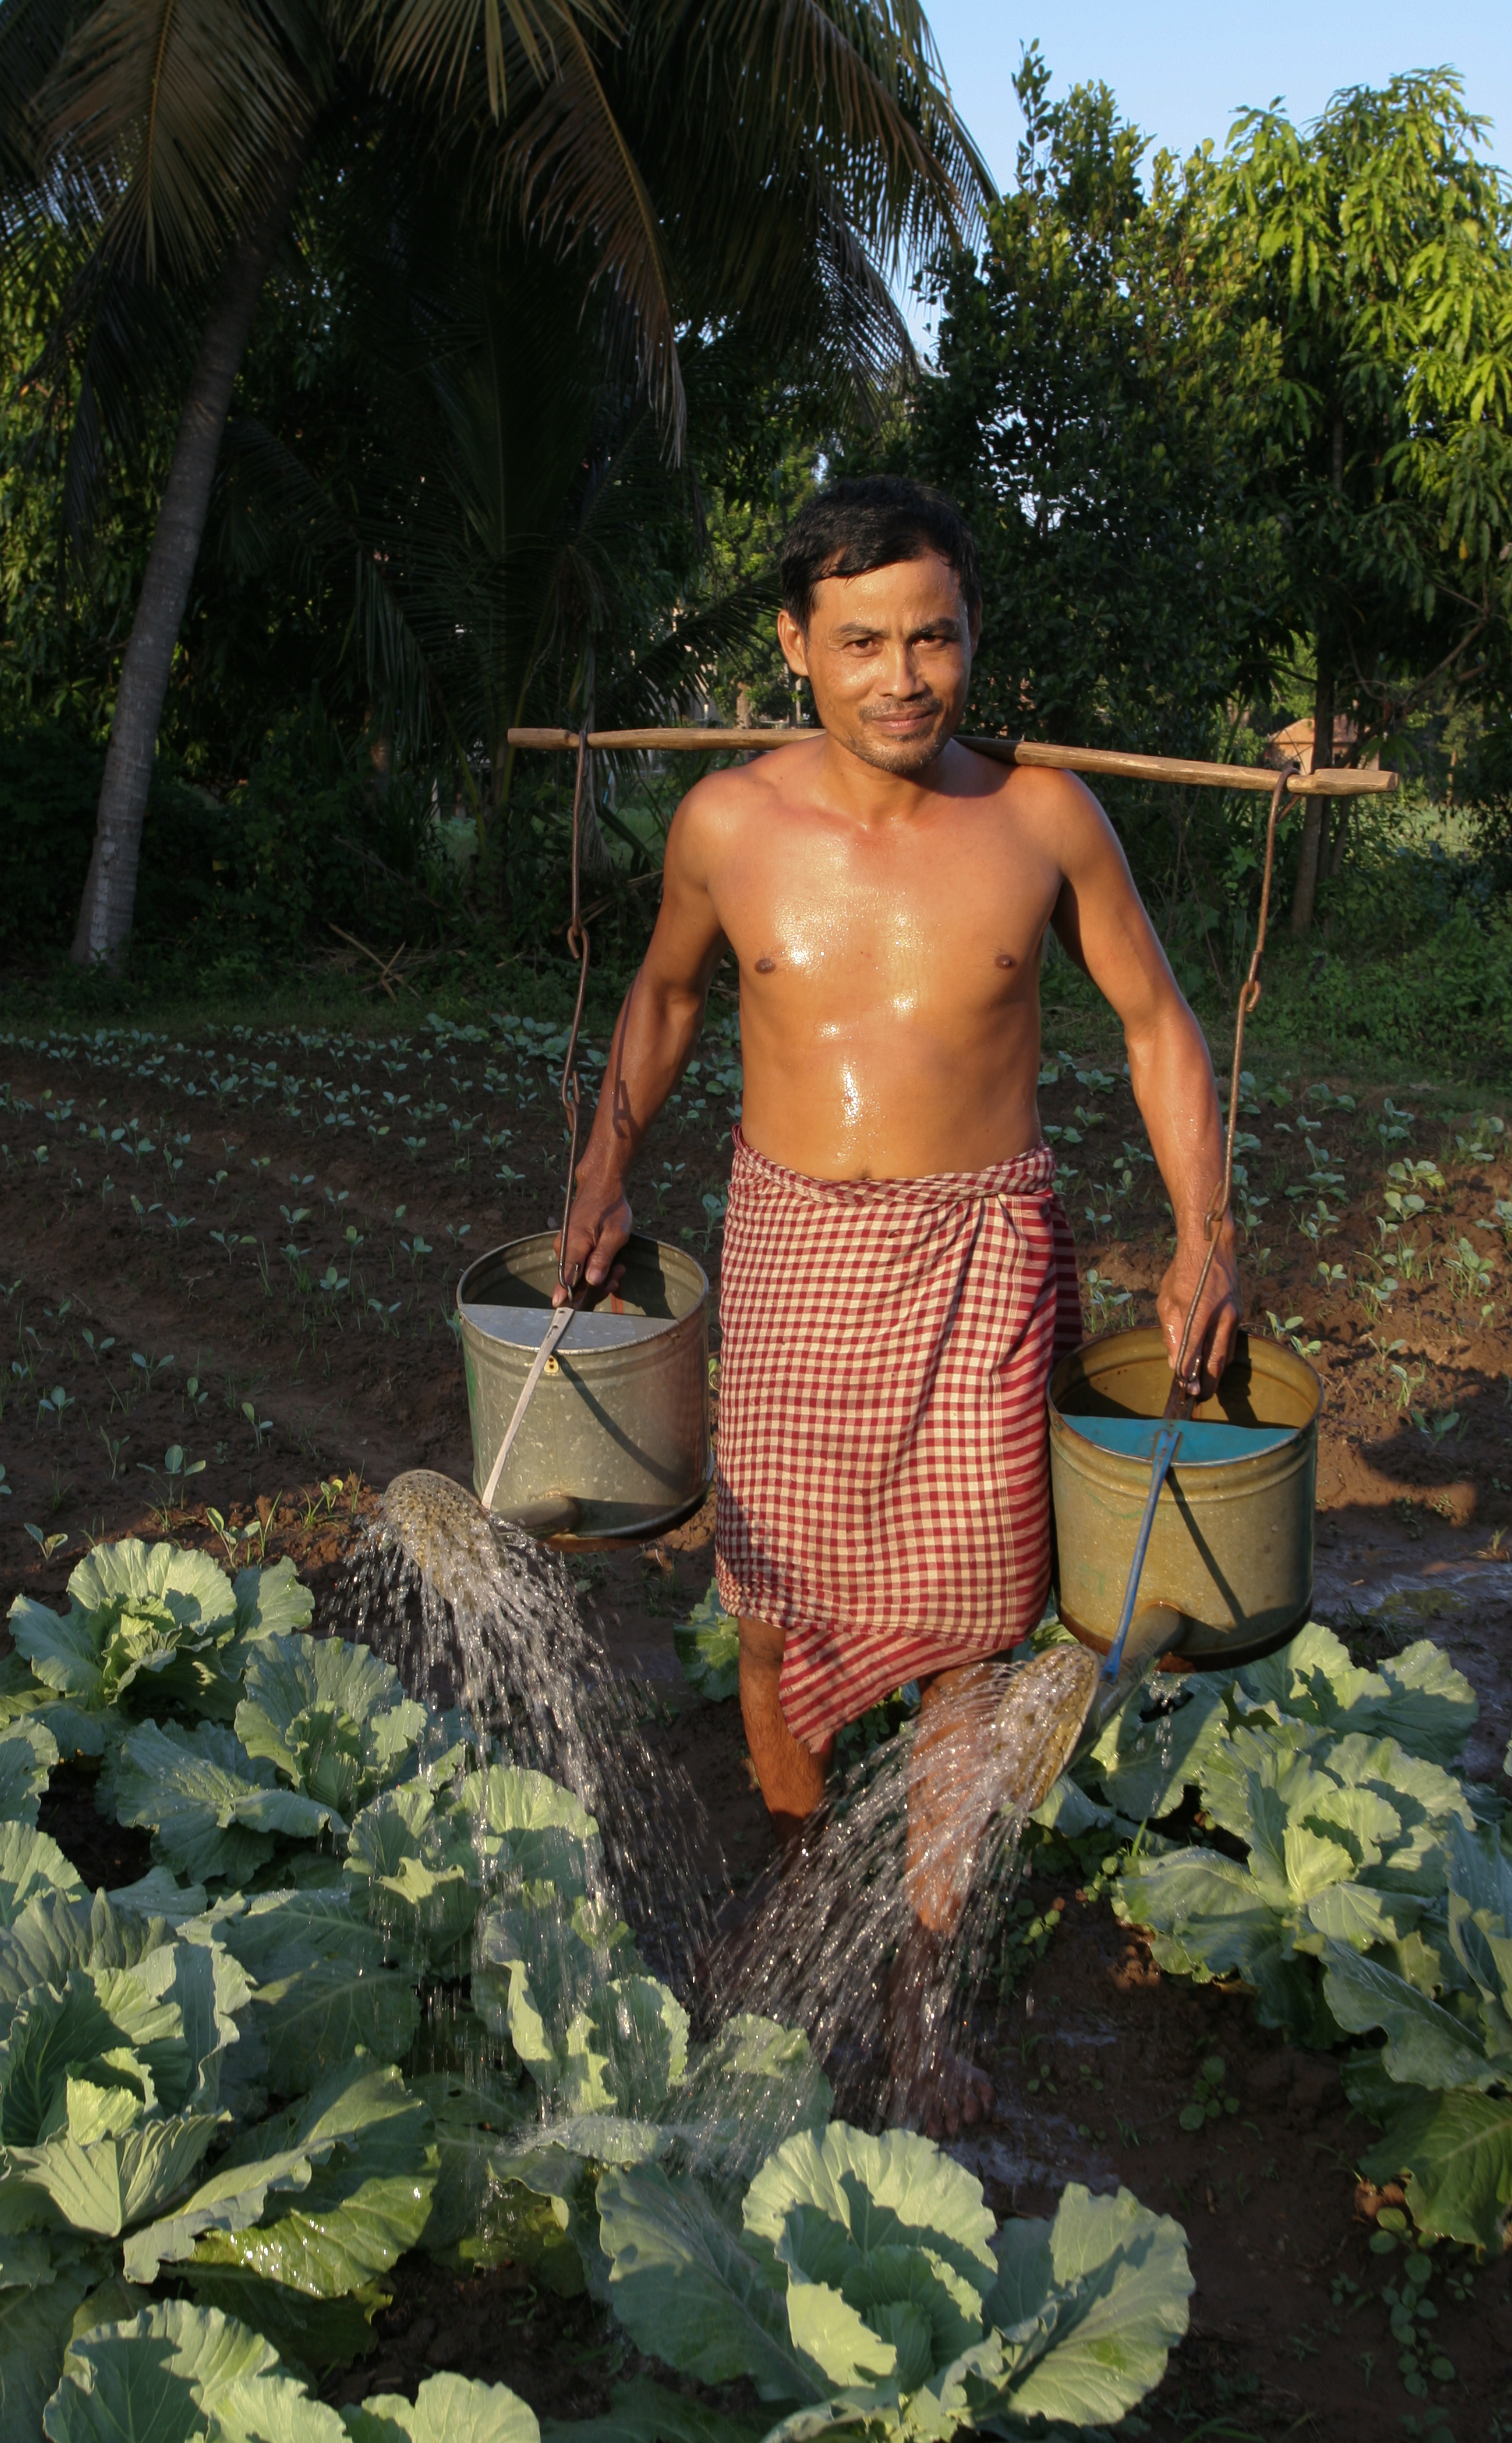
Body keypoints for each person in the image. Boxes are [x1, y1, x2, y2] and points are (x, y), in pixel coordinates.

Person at [557, 474, 1239, 2130]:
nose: (901, 677)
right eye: (861, 641)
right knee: (771, 1611)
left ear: (970, 636)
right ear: (797, 646)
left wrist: (1208, 1223)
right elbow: (656, 1001)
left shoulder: (1044, 819)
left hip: (983, 1260)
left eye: (931, 637)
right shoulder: (727, 826)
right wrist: (602, 1162)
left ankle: (924, 1986)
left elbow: (1154, 1023)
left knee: (969, 1650)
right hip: (793, 1256)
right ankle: (803, 1890)